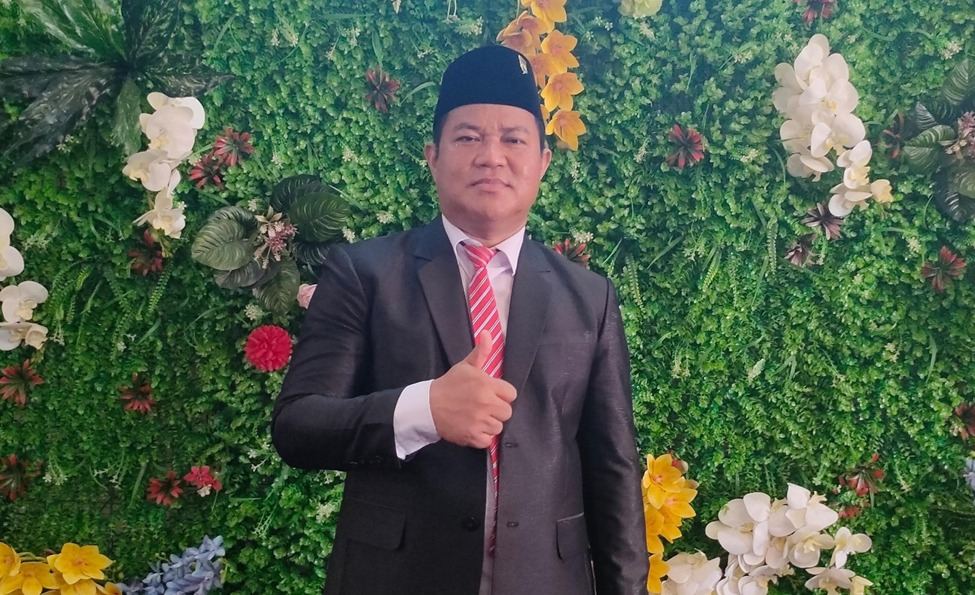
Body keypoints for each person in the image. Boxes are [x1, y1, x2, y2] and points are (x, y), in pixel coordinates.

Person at [272, 45, 648, 595]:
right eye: (468, 137)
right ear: (433, 156)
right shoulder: (366, 274)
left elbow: (612, 465)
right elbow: (298, 426)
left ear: (543, 162)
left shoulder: (590, 297)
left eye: (513, 139)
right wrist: (423, 410)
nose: (491, 156)